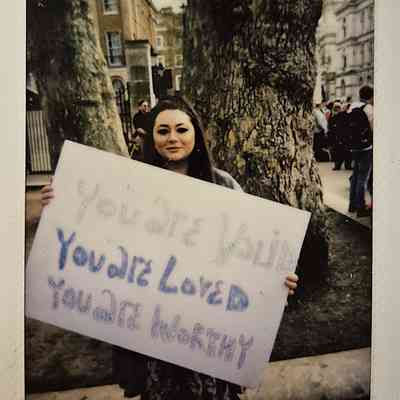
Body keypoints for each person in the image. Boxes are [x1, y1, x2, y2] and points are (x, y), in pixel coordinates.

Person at [40, 96, 299, 400]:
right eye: (163, 131)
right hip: (153, 332)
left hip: (210, 332)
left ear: (195, 134)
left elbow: (253, 252)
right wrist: (60, 206)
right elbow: (98, 239)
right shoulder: (129, 185)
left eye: (181, 129)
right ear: (151, 137)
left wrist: (276, 281)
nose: (173, 138)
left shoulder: (224, 186)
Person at [347, 86, 373, 217]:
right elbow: (373, 128)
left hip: (354, 147)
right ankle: (360, 207)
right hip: (366, 147)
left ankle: (352, 205)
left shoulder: (352, 107)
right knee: (363, 177)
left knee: (355, 176)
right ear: (371, 96)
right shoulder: (369, 109)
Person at [328, 102, 352, 171]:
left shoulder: (336, 116)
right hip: (344, 136)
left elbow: (331, 126)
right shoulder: (347, 116)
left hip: (339, 136)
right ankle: (347, 165)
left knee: (338, 152)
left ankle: (338, 165)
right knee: (346, 151)